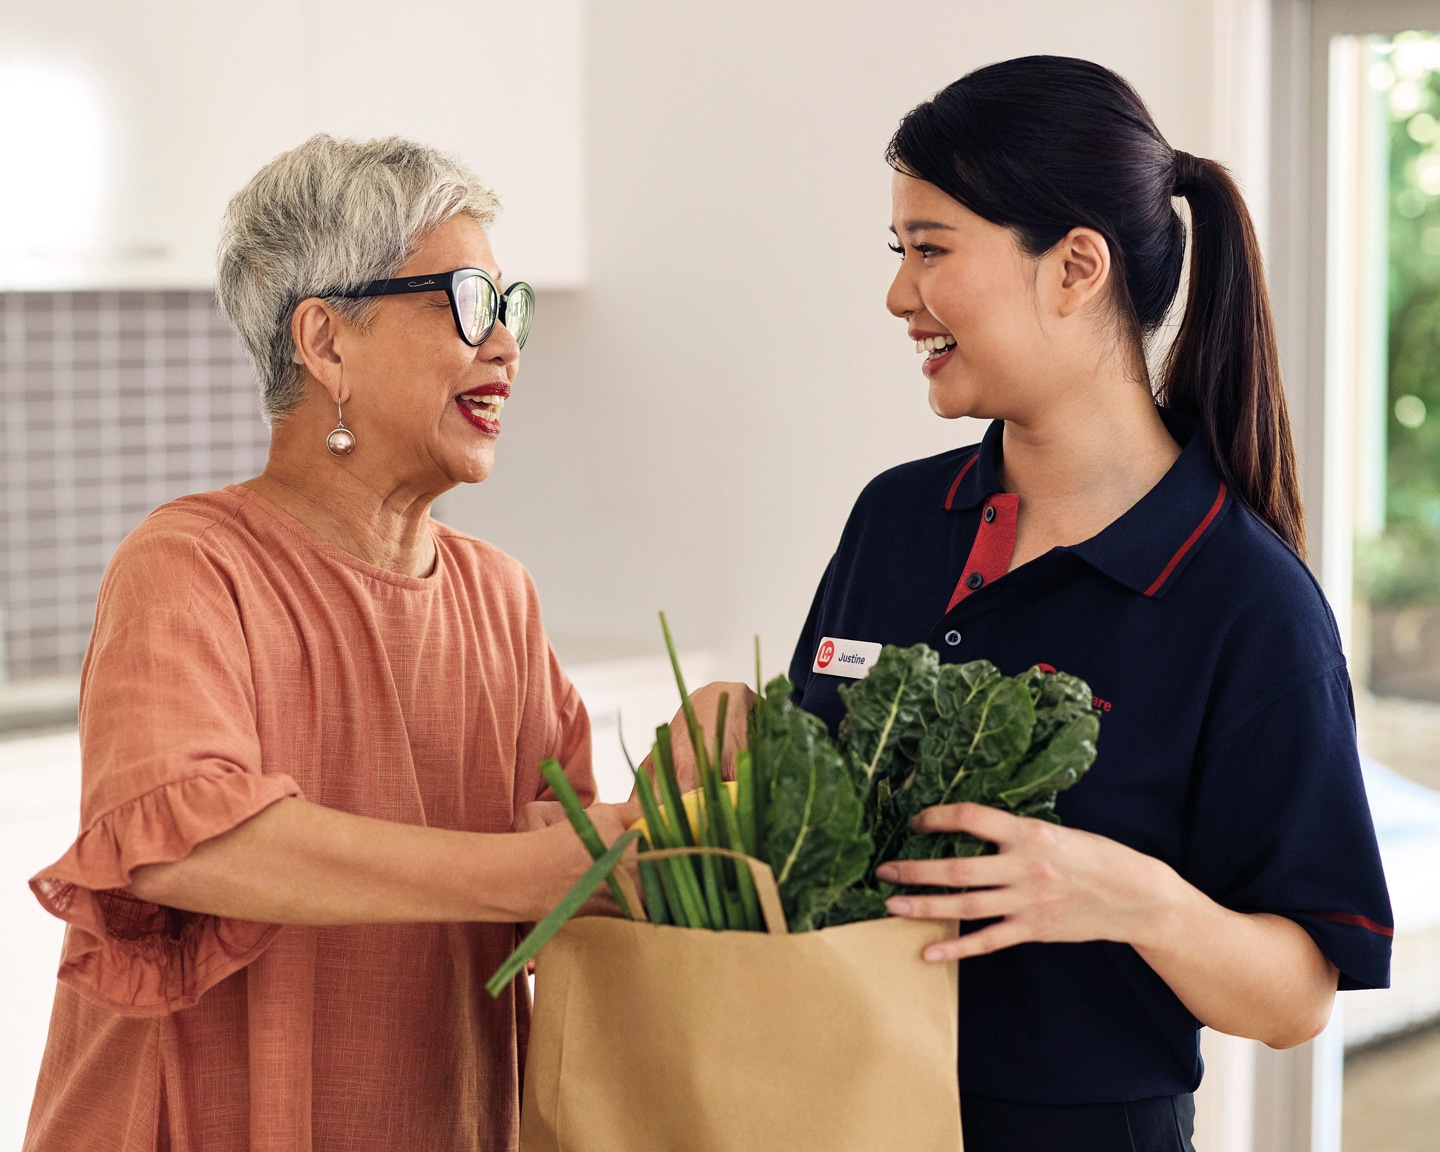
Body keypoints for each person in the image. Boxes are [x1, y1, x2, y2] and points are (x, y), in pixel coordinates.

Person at [778, 58, 1391, 1151]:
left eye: (931, 249)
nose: (898, 293)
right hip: (835, 1113)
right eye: (899, 251)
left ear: (1075, 268)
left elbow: (1298, 993)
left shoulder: (1246, 601)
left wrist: (1130, 897)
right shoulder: (896, 520)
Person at [24, 135, 637, 1152]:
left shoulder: (500, 599)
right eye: (470, 303)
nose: (507, 347)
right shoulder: (191, 563)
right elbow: (189, 843)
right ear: (326, 341)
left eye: (511, 306)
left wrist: (696, 796)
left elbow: (568, 879)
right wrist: (527, 876)